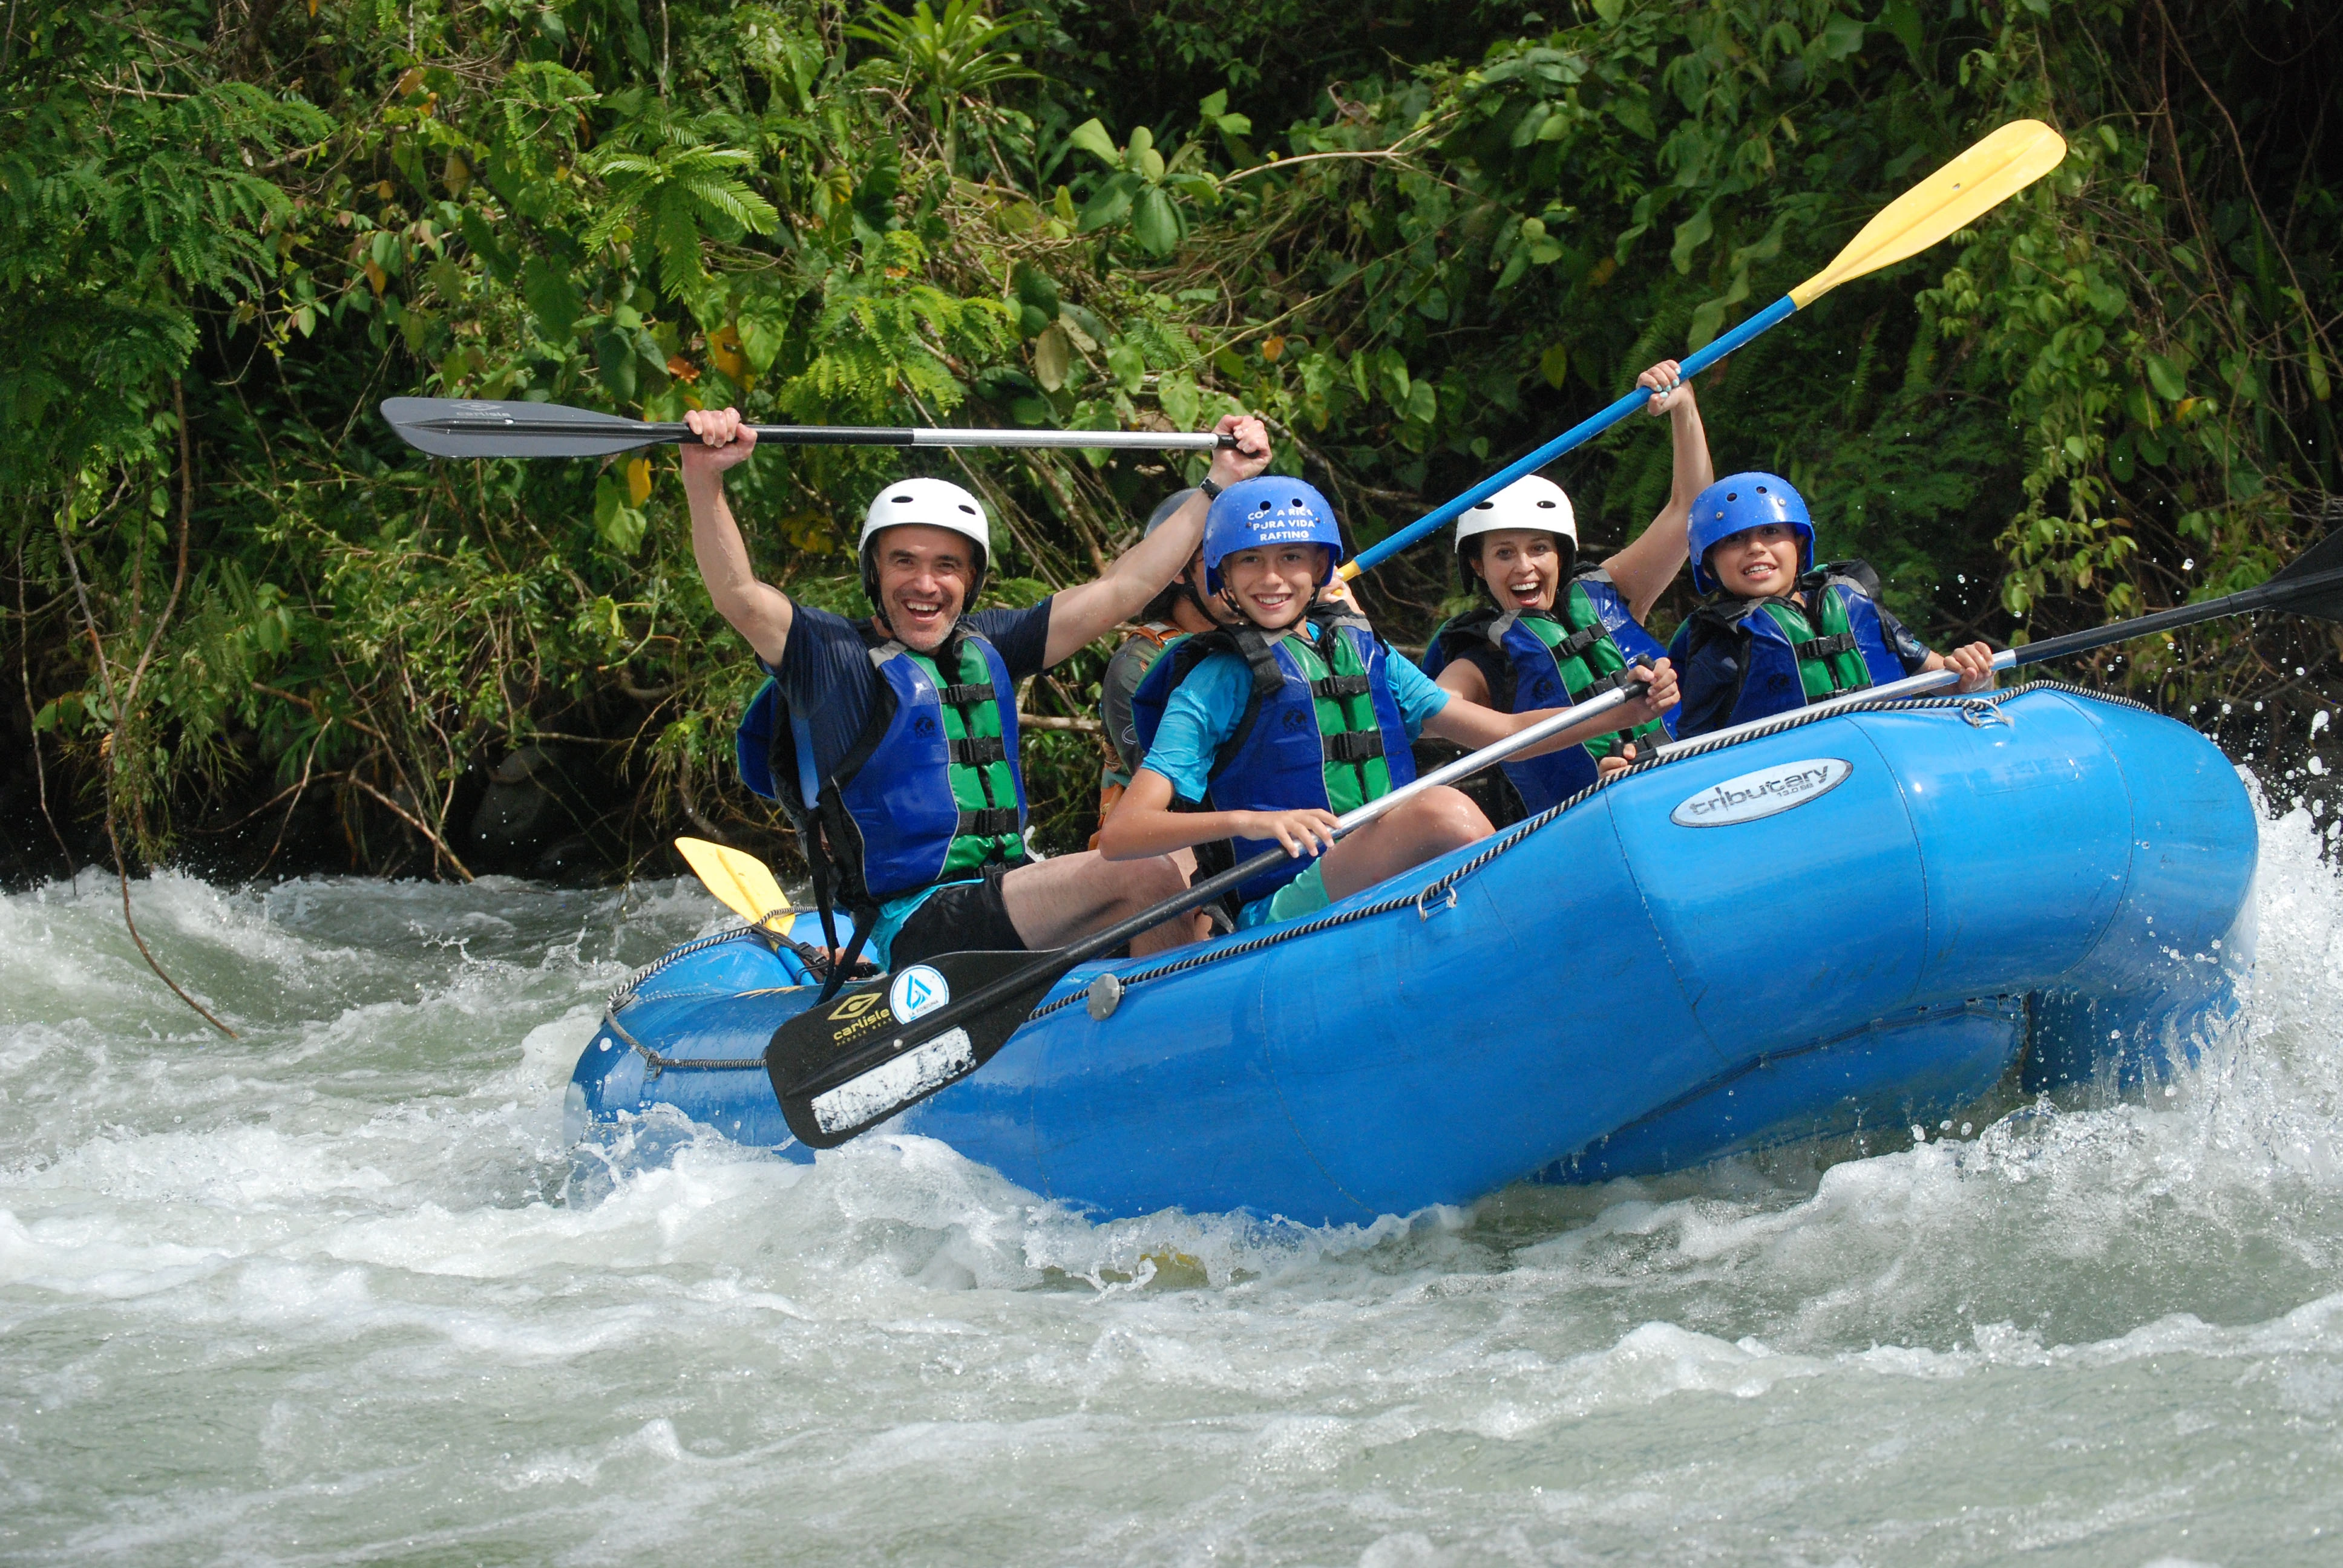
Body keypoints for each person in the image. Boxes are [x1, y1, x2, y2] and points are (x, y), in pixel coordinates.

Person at [678, 404, 1274, 979]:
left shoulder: (991, 644)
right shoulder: (832, 657)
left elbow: (1127, 586)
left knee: (1182, 865)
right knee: (1145, 873)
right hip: (917, 919)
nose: (925, 583)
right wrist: (704, 480)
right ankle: (1167, 1040)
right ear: (873, 573)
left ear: (971, 578)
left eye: (947, 565)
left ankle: (1148, 1007)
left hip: (1006, 895)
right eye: (903, 562)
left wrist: (1216, 485)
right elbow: (739, 596)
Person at [1098, 477, 1677, 932]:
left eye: (1291, 558)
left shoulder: (1365, 653)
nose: (1271, 579)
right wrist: (1255, 822)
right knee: (1439, 812)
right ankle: (1530, 927)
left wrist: (1625, 710)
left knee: (1438, 812)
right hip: (1278, 907)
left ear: (1321, 567)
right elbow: (1126, 832)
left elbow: (1502, 730)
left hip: (1380, 872)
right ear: (1220, 574)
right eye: (1250, 561)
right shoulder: (1213, 681)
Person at [1421, 359, 1707, 815]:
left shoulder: (1613, 593)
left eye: (1539, 548)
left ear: (1562, 555)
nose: (1524, 567)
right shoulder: (1481, 659)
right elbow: (1429, 716)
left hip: (1692, 782)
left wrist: (1683, 408)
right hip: (1584, 820)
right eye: (1503, 553)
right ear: (1477, 565)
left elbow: (1690, 510)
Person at [1668, 471, 1994, 739]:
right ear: (1708, 565)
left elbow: (1946, 680)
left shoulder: (1852, 601)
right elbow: (1693, 746)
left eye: (1770, 531)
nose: (1755, 548)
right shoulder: (1721, 642)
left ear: (1799, 544)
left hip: (1892, 749)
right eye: (1733, 539)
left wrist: (1974, 677)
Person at [1095, 487, 1234, 828]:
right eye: (1220, 557)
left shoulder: (1272, 641)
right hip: (1164, 845)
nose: (1243, 574)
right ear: (1179, 570)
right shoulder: (1139, 662)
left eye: (1248, 557)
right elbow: (1177, 796)